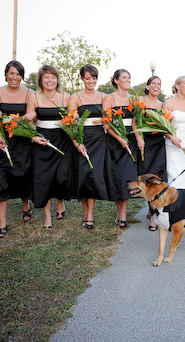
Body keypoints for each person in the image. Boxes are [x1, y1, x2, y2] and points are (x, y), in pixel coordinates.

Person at [0, 60, 34, 238]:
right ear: (6, 73)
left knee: (22, 177)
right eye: (12, 73)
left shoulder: (29, 93)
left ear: (22, 76)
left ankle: (26, 205)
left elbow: (30, 117)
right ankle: (2, 223)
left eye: (19, 74)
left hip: (21, 142)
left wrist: (27, 118)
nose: (15, 77)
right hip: (0, 142)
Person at [26, 65, 74, 229]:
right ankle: (48, 217)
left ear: (57, 80)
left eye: (53, 77)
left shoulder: (66, 97)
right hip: (42, 142)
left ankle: (60, 201)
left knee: (61, 177)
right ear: (40, 80)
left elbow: (72, 118)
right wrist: (34, 137)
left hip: (62, 141)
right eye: (46, 77)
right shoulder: (34, 97)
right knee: (43, 180)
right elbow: (28, 123)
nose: (50, 80)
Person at [68, 64, 107, 230]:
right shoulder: (75, 97)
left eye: (94, 78)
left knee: (94, 175)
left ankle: (90, 214)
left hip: (99, 141)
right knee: (83, 177)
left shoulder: (104, 97)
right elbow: (71, 123)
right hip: (82, 140)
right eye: (88, 78)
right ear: (82, 79)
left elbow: (107, 120)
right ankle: (86, 212)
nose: (91, 81)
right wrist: (77, 143)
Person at [103, 69, 138, 228]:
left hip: (131, 139)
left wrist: (136, 138)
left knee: (127, 177)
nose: (127, 80)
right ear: (116, 81)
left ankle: (123, 212)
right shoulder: (109, 98)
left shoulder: (133, 99)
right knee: (116, 178)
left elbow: (136, 121)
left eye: (129, 77)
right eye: (124, 77)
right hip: (114, 140)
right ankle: (119, 211)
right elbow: (106, 124)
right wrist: (119, 139)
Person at [138, 76, 166, 231]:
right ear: (147, 86)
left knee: (157, 178)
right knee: (146, 178)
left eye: (159, 84)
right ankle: (150, 207)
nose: (156, 86)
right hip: (144, 144)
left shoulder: (163, 105)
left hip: (159, 145)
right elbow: (136, 121)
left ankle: (154, 217)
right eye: (153, 83)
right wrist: (139, 139)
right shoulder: (141, 102)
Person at [163, 76, 185, 189]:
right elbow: (164, 127)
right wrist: (171, 138)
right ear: (177, 86)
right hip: (174, 145)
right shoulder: (168, 103)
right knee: (175, 178)